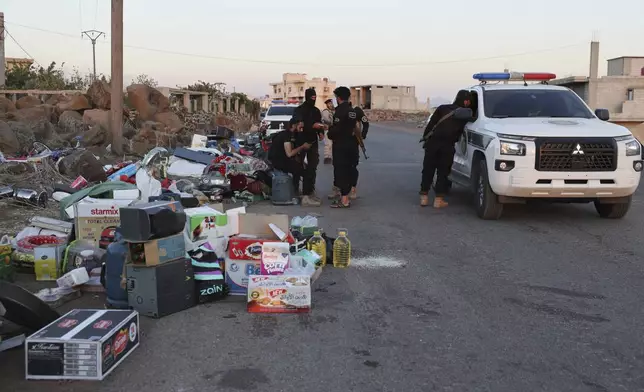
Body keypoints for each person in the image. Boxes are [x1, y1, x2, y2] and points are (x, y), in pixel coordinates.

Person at [419, 90, 472, 208]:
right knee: (443, 172)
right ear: (465, 101)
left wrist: (425, 139)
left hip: (432, 143)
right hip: (447, 146)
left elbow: (431, 125)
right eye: (468, 101)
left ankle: (424, 197)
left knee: (428, 169)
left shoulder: (442, 108)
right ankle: (438, 200)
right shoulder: (465, 114)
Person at [328, 102, 368, 200]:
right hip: (339, 142)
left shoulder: (357, 111)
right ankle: (337, 188)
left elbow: (365, 123)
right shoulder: (338, 110)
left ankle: (352, 189)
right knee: (338, 166)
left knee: (352, 166)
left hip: (352, 143)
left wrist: (361, 136)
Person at [327, 86, 358, 208]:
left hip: (341, 144)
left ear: (338, 97)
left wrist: (329, 131)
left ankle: (344, 200)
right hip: (351, 144)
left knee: (341, 171)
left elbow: (337, 129)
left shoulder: (340, 111)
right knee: (349, 169)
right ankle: (346, 195)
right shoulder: (352, 110)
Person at [294, 88, 326, 206]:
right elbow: (298, 124)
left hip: (313, 142)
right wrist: (312, 126)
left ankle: (309, 191)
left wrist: (321, 132)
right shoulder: (299, 110)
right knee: (298, 166)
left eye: (315, 97)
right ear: (307, 97)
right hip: (301, 142)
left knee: (312, 166)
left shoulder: (316, 111)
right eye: (311, 97)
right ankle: (296, 190)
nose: (313, 99)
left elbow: (319, 123)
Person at [268, 117, 311, 194]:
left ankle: (296, 190)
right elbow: (289, 154)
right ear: (294, 126)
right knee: (305, 172)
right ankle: (304, 195)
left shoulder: (292, 134)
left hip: (283, 160)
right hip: (279, 162)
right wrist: (302, 147)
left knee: (300, 168)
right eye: (300, 127)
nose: (301, 130)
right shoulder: (286, 136)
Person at [321, 99, 335, 165]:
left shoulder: (334, 111)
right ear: (327, 105)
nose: (330, 105)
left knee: (332, 144)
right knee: (328, 144)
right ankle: (327, 157)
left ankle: (331, 157)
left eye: (331, 103)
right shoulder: (325, 111)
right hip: (327, 129)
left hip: (333, 129)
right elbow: (327, 120)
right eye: (329, 104)